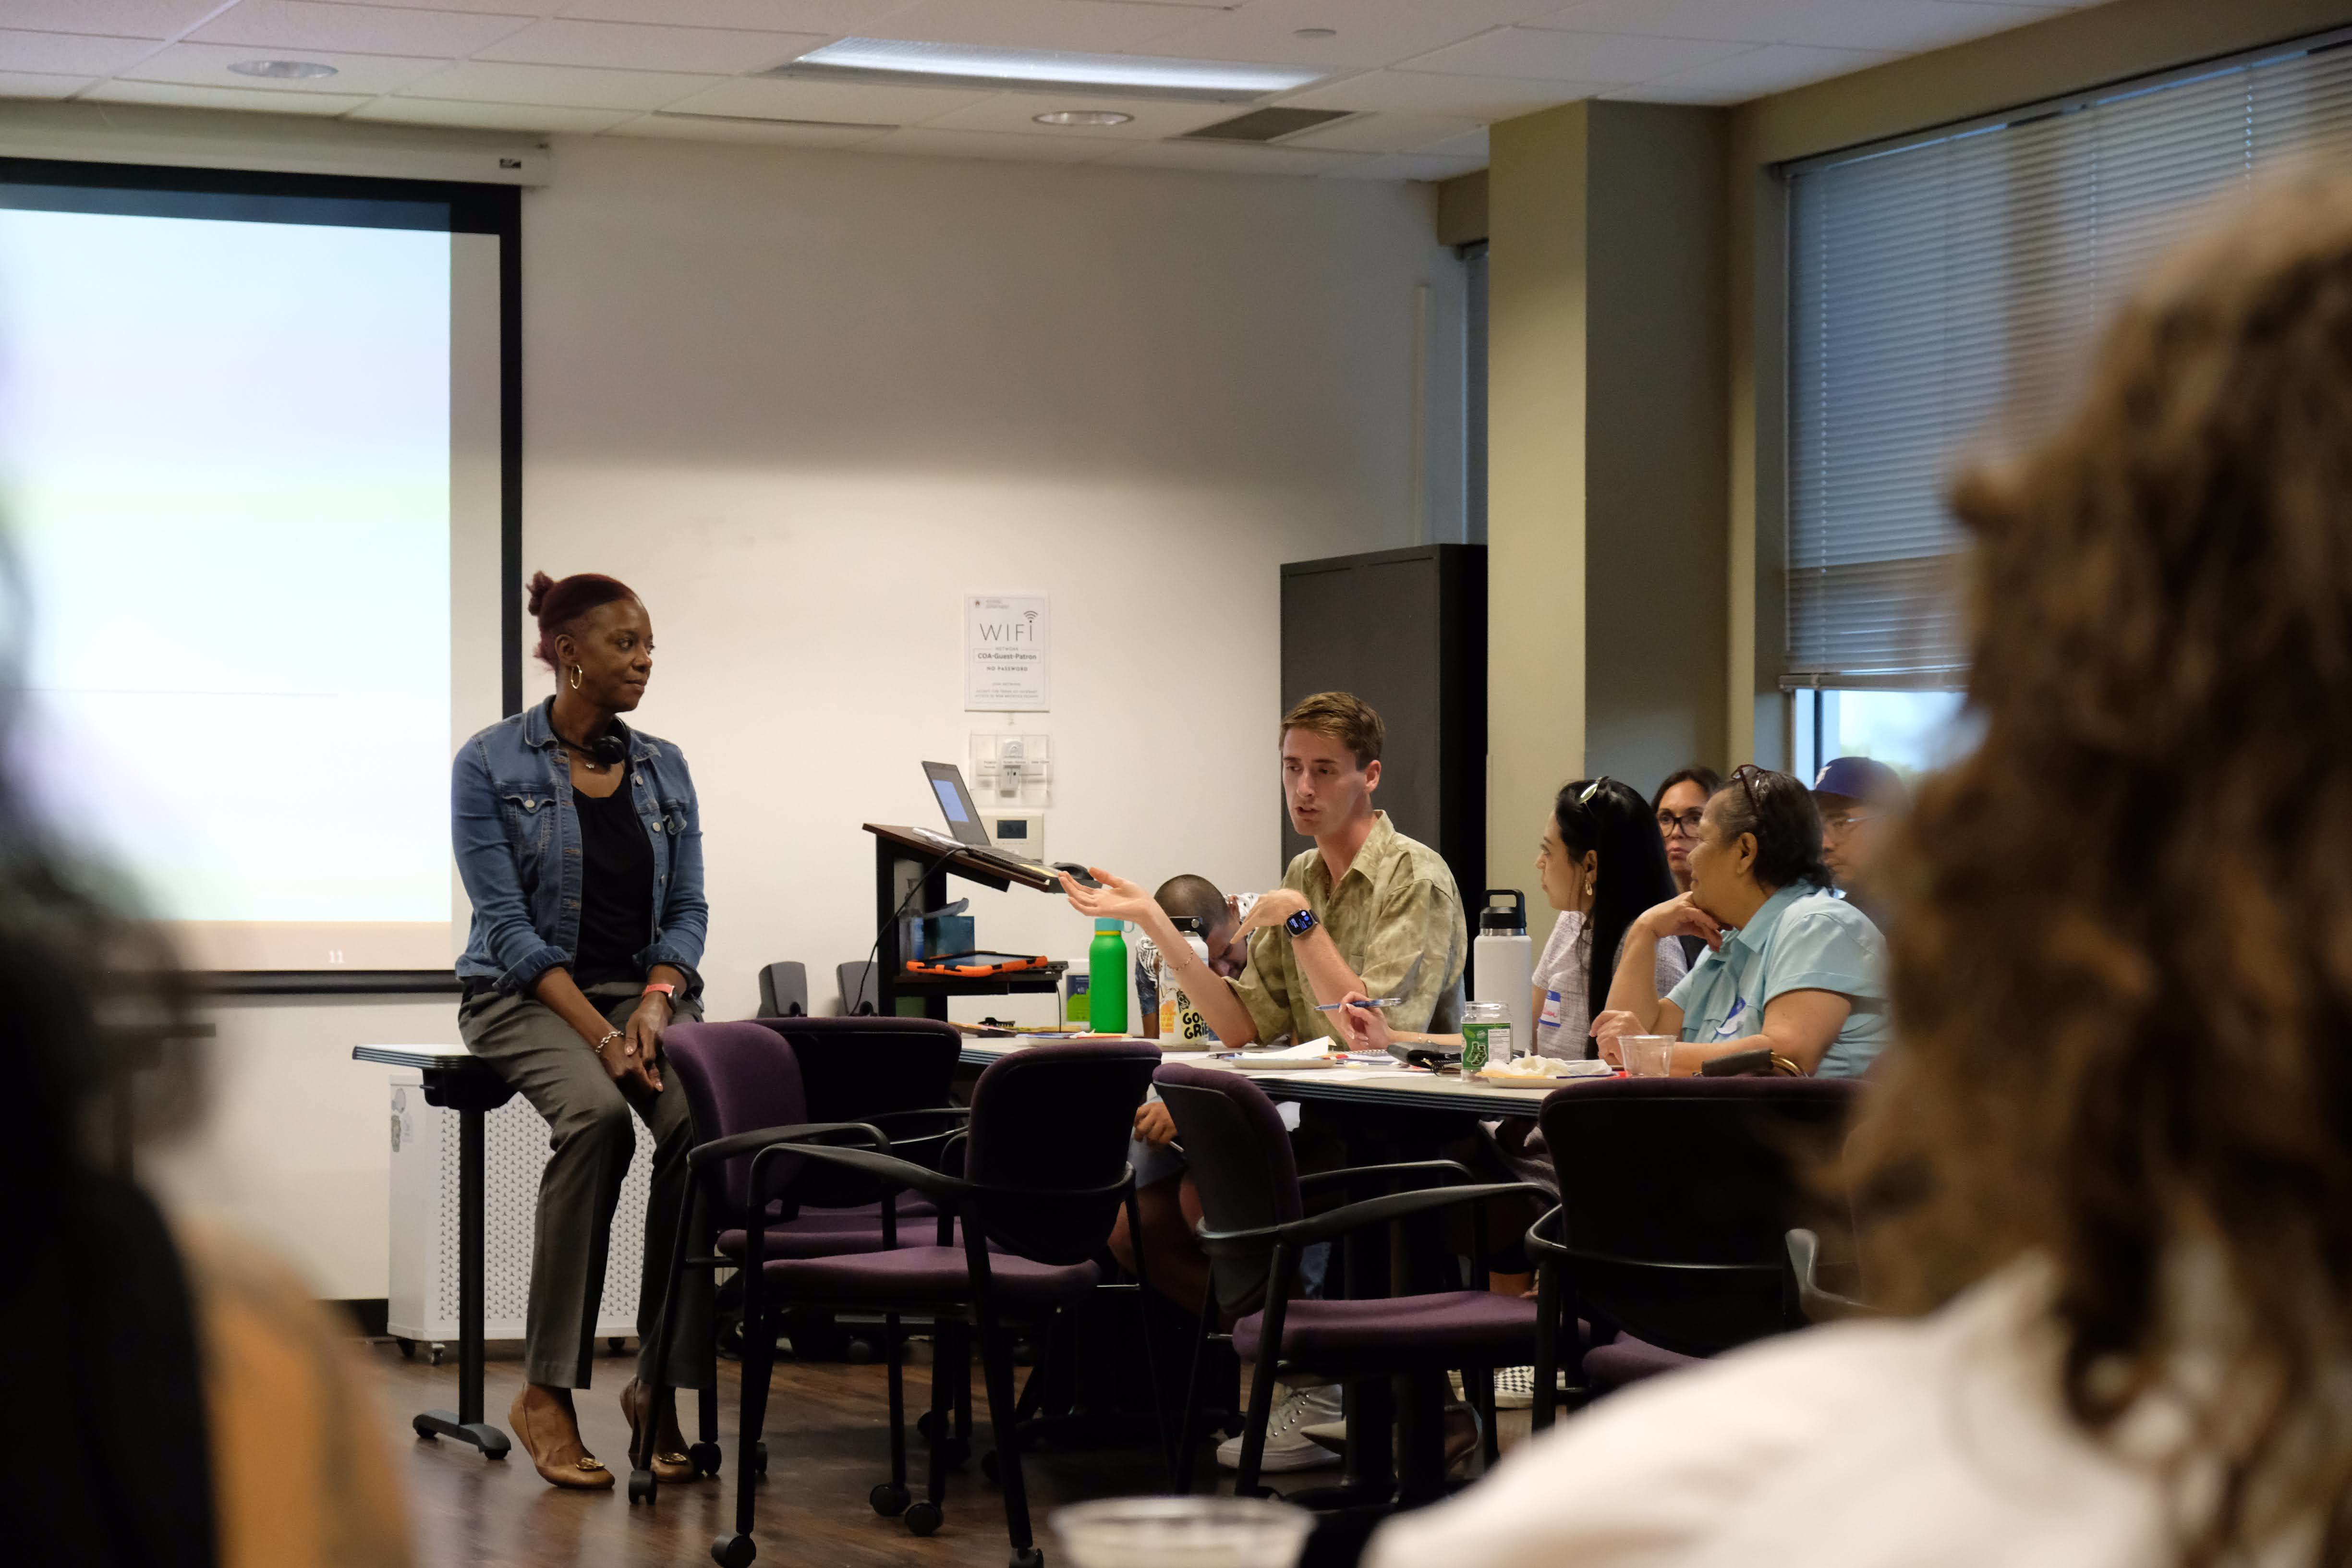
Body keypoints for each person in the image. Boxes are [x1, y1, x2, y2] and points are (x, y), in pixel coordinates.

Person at [1369, 169, 2352, 1568]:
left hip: (1782, 1236)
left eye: (1697, 828)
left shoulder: (1817, 933)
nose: (1678, 842)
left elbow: (1751, 1058)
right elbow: (1626, 1045)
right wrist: (1643, 935)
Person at [451, 570, 711, 1490]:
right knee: (598, 1122)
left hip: (639, 995)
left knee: (701, 1130)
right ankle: (546, 1390)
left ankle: (656, 1384)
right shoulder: (490, 763)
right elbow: (508, 930)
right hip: (521, 997)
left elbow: (687, 909)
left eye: (648, 647)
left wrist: (656, 1000)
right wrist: (602, 1038)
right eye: (625, 644)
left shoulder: (664, 766)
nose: (644, 661)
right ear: (568, 652)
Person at [1063, 690, 1467, 1049]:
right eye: (1293, 767)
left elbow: (1370, 1038)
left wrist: (1301, 919)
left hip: (1405, 1107)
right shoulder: (1302, 873)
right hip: (1326, 1105)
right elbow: (1239, 1025)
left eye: (1324, 770)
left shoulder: (1414, 874)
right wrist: (1154, 920)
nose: (1304, 788)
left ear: (1371, 776)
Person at [1592, 764, 1887, 1078]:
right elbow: (1628, 1048)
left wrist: (1644, 1052)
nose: (1691, 857)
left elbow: (1783, 1056)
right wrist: (1644, 931)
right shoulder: (1731, 942)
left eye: (1702, 839)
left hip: (1803, 1113)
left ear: (1745, 852)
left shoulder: (1819, 924)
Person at [1812, 754, 1906, 928]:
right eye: (1820, 828)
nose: (1825, 845)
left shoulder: (1939, 921)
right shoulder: (1834, 923)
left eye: (1839, 824)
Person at [1650, 766, 1722, 968]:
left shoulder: (1736, 918)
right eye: (1665, 819)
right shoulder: (1651, 911)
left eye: (1695, 818)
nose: (1676, 832)